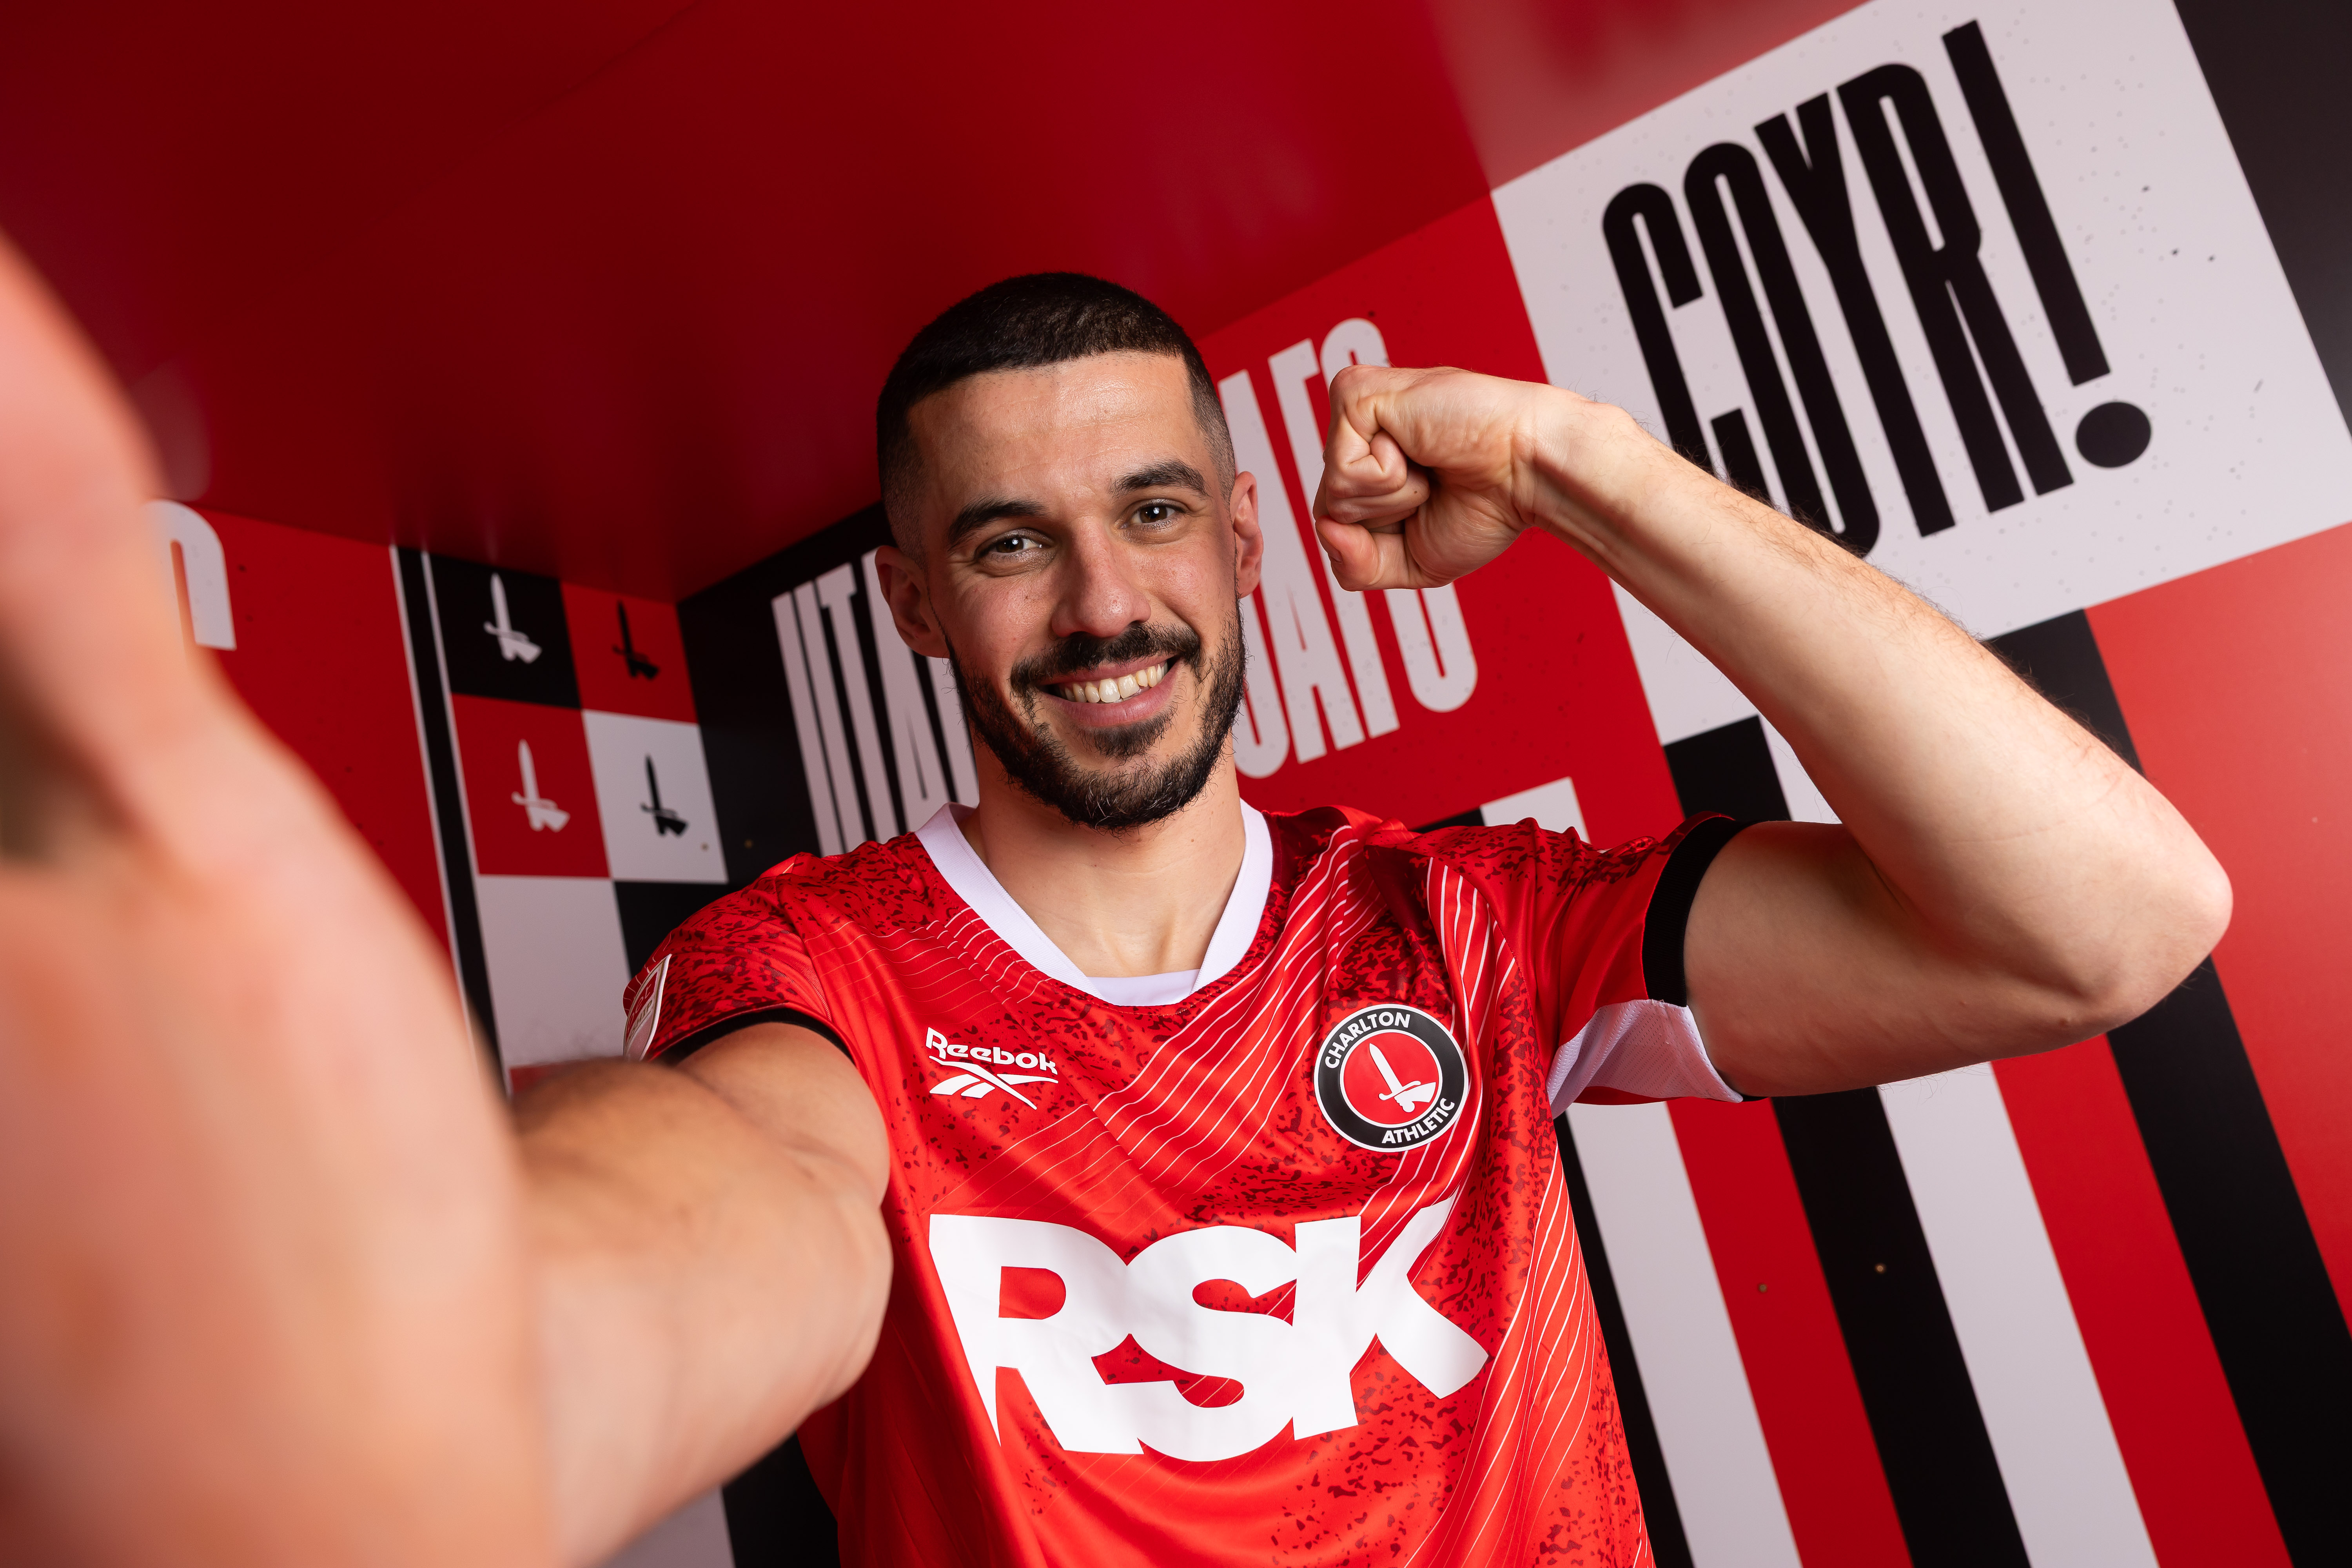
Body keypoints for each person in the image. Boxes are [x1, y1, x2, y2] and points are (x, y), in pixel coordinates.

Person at [0, 254, 2225, 1567]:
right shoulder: (810, 969)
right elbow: (754, 1201)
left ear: (1244, 545)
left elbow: (2103, 927)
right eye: (1008, 544)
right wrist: (444, 1373)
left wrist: (1590, 472)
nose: (1101, 605)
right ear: (913, 606)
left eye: (1156, 513)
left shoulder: (1468, 920)